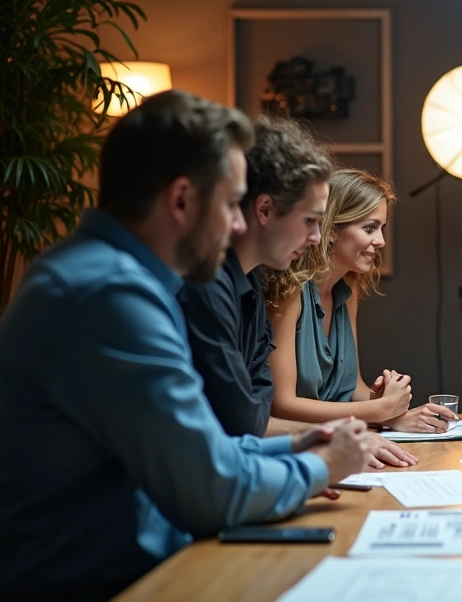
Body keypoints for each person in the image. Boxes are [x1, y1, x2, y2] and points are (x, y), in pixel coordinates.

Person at [0, 90, 371, 602]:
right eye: (232, 202)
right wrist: (323, 467)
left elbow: (205, 449)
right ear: (183, 199)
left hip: (136, 584)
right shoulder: (109, 294)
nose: (238, 224)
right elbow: (209, 488)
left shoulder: (104, 274)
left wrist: (296, 446)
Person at [177, 115, 416, 467]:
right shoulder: (264, 287)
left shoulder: (271, 290)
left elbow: (256, 414)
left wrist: (381, 410)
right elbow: (259, 415)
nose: (380, 242)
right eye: (370, 228)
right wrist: (373, 414)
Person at [265, 169, 456, 432]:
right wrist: (380, 412)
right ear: (330, 229)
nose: (381, 241)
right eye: (369, 228)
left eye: (382, 228)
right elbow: (282, 405)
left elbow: (352, 388)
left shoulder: (348, 292)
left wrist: (382, 401)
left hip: (340, 439)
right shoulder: (290, 291)